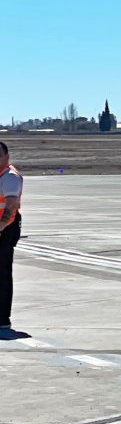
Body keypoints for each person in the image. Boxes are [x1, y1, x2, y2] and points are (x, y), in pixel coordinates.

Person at [1, 141, 23, 336]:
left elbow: (10, 208)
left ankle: (2, 319)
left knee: (2, 273)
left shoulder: (9, 177)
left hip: (5, 229)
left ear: (7, 157)